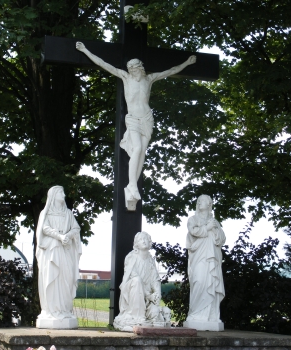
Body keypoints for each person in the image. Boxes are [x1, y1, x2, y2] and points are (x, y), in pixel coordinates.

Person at [76, 42, 196, 204]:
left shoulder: (150, 79)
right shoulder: (125, 77)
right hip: (132, 118)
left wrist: (187, 63)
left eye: (134, 68)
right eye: (130, 69)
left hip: (147, 118)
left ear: (140, 68)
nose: (132, 71)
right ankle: (131, 184)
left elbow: (171, 70)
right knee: (137, 148)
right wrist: (85, 50)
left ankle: (134, 186)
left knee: (142, 152)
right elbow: (103, 64)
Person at [36, 186, 81, 325]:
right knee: (52, 278)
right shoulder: (46, 213)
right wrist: (59, 236)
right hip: (52, 251)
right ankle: (51, 310)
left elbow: (76, 228)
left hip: (65, 251)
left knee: (65, 279)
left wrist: (67, 236)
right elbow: (44, 228)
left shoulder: (68, 213)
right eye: (61, 192)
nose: (64, 194)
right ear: (54, 195)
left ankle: (64, 310)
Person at [185, 195, 226, 325]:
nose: (198, 203)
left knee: (211, 283)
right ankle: (195, 313)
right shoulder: (193, 219)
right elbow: (193, 232)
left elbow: (222, 239)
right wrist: (206, 229)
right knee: (199, 280)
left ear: (209, 204)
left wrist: (214, 230)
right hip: (199, 256)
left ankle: (211, 316)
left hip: (212, 258)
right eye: (198, 201)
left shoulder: (214, 222)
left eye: (201, 201)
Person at [113, 231, 163, 331]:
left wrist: (157, 293)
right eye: (140, 239)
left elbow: (155, 279)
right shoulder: (131, 257)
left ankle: (146, 316)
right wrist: (149, 295)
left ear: (149, 242)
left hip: (147, 298)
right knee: (137, 281)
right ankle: (136, 317)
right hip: (132, 292)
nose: (143, 241)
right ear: (136, 244)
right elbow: (133, 276)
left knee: (156, 313)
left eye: (145, 239)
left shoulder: (150, 260)